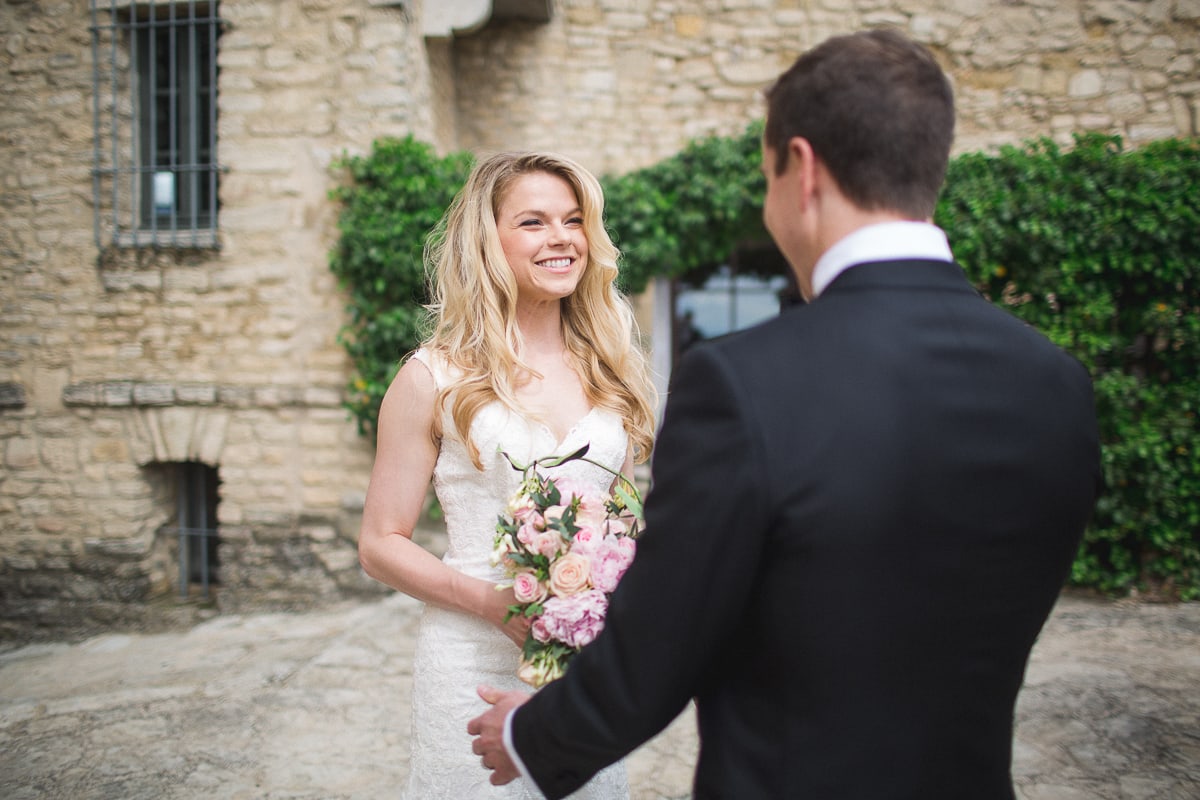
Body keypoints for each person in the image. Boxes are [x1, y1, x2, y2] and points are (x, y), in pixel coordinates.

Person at [468, 29, 1102, 799]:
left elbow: (663, 638)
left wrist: (533, 736)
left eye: (765, 177)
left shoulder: (741, 383)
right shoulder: (1056, 383)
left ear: (800, 170)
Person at [358, 151, 657, 799]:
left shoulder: (612, 374)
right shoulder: (432, 378)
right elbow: (380, 543)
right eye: (533, 222)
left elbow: (624, 528)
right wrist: (496, 606)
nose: (562, 239)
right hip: (467, 655)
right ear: (486, 240)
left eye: (574, 221)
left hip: (580, 667)